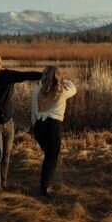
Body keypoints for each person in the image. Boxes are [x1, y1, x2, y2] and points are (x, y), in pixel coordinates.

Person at [0, 51, 41, 191]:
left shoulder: (7, 75)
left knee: (6, 154)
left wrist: (44, 75)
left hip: (9, 123)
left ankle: (4, 182)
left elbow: (25, 75)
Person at [30, 65, 77, 199]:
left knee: (49, 157)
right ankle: (44, 188)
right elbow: (74, 88)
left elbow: (33, 110)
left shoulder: (37, 89)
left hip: (39, 126)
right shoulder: (63, 90)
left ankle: (45, 184)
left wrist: (35, 126)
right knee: (51, 157)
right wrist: (63, 80)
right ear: (58, 77)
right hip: (52, 126)